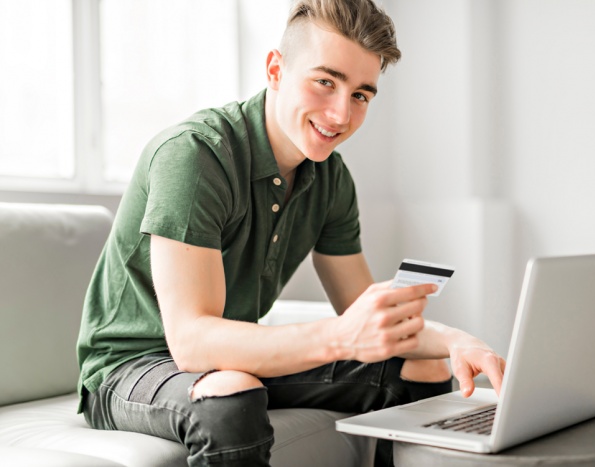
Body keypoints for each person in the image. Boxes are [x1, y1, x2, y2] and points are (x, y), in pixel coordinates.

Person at [77, 0, 506, 466]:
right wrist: (342, 337)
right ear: (276, 69)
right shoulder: (196, 156)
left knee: (418, 366)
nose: (341, 114)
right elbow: (192, 343)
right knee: (230, 395)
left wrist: (458, 340)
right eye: (325, 82)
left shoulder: (330, 178)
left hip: (229, 357)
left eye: (361, 94)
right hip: (130, 368)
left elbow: (366, 315)